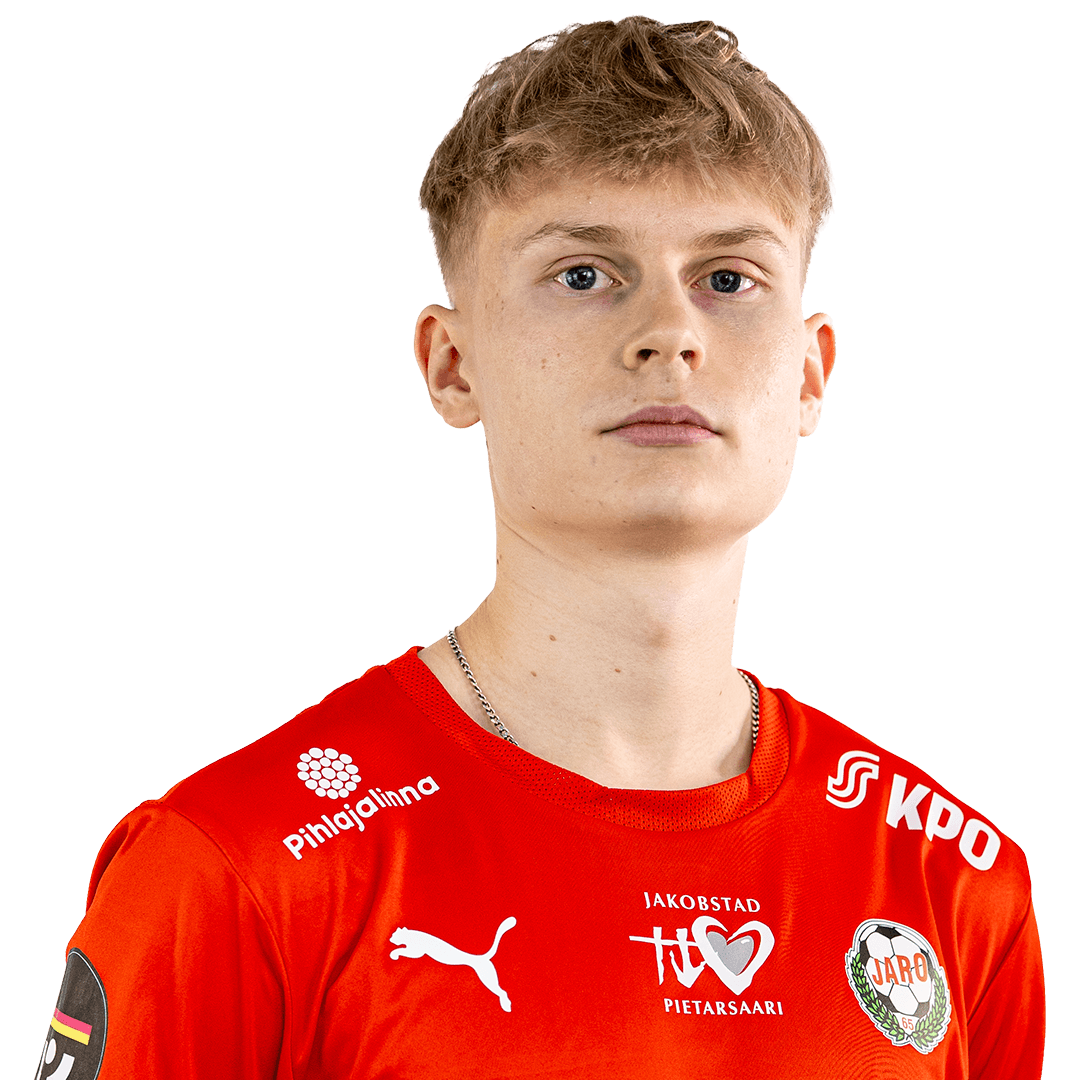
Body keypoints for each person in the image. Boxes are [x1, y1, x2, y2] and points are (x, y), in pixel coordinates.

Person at [35, 16, 1044, 1078]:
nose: (670, 334)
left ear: (808, 373)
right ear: (452, 364)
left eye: (728, 278)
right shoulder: (235, 865)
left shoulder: (953, 879)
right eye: (584, 275)